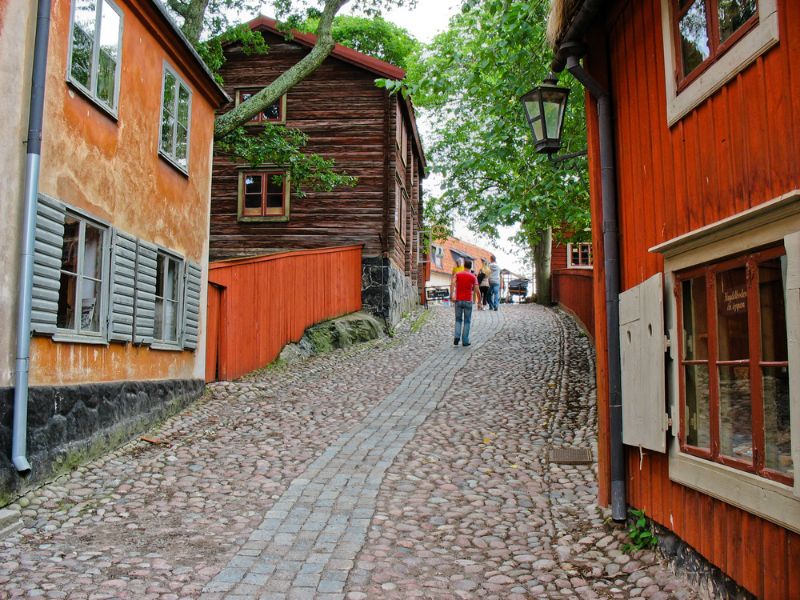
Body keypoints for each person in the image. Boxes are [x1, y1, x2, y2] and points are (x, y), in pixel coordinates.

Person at [450, 259, 480, 347]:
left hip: (458, 300)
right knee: (467, 321)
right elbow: (477, 290)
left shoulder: (458, 274)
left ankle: (456, 337)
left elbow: (452, 283)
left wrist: (452, 294)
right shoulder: (473, 276)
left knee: (458, 320)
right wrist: (479, 301)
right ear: (471, 267)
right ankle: (465, 341)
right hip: (468, 301)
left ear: (464, 266)